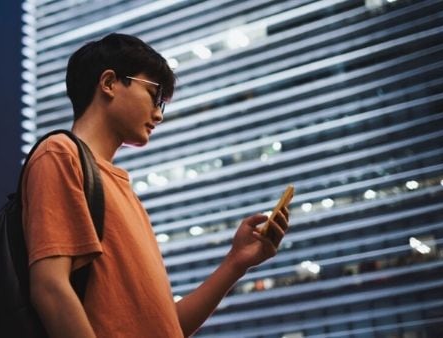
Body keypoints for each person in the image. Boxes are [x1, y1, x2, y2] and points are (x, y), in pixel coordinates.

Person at [22, 33, 289, 338]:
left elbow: (166, 326)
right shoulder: (59, 153)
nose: (159, 114)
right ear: (109, 83)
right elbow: (49, 288)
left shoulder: (123, 191)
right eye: (154, 95)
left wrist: (236, 262)